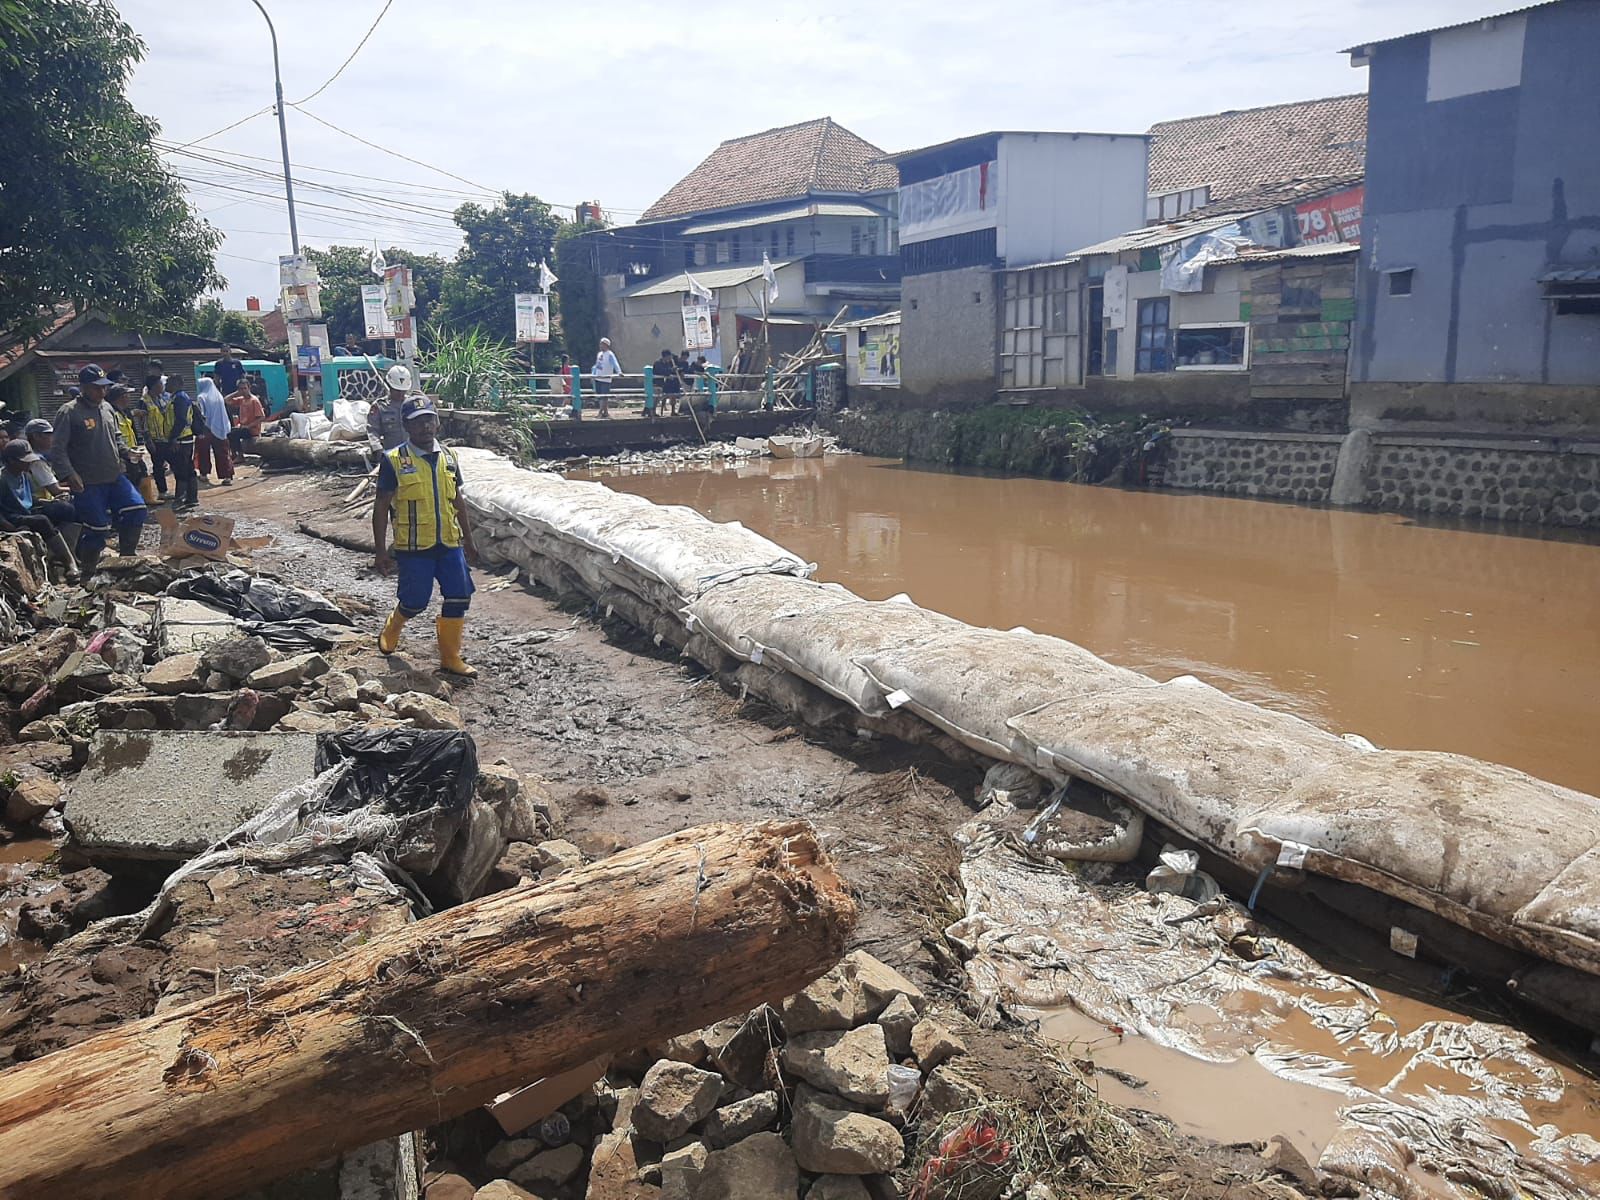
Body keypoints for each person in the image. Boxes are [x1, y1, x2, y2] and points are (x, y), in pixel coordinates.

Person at [371, 396, 479, 677]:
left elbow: (458, 500)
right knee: (415, 601)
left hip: (449, 543)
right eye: (418, 421)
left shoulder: (449, 457)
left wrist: (469, 540)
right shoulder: (394, 460)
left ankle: (450, 658)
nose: (426, 426)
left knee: (459, 596)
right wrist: (380, 551)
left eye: (430, 419)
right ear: (406, 425)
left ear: (438, 422)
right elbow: (381, 505)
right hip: (414, 546)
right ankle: (394, 624)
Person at [49, 364, 147, 571]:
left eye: (104, 387)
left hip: (114, 476)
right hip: (88, 482)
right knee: (98, 528)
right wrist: (69, 474)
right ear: (83, 387)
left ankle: (126, 559)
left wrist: (127, 452)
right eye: (96, 388)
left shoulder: (107, 407)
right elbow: (57, 450)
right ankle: (88, 571)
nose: (101, 392)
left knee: (136, 508)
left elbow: (116, 438)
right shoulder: (69, 412)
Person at [1, 440, 80, 581]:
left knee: (65, 509)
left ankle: (60, 555)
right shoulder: (2, 479)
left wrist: (51, 502)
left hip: (27, 511)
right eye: (23, 461)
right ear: (11, 461)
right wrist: (9, 527)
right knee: (41, 521)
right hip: (11, 517)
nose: (28, 464)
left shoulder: (23, 474)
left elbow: (30, 500)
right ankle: (69, 562)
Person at [143, 380, 198, 509]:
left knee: (181, 469)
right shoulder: (171, 398)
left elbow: (180, 420)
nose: (165, 385)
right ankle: (190, 498)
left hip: (180, 439)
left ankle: (181, 499)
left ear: (176, 384)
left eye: (167, 383)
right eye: (162, 383)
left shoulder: (178, 399)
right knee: (184, 468)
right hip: (171, 438)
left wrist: (173, 438)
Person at [193, 378, 234, 485]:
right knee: (223, 452)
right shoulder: (218, 396)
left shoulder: (201, 397)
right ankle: (227, 476)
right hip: (220, 427)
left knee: (203, 452)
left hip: (206, 428)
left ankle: (204, 474)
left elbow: (201, 414)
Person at [22, 419, 69, 500]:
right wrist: (81, 488)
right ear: (36, 436)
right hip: (40, 503)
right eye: (48, 434)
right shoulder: (36, 462)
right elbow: (55, 490)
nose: (52, 438)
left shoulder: (33, 455)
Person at [369, 364, 411, 451]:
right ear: (390, 386)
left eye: (403, 391)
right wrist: (376, 447)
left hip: (414, 454)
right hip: (391, 455)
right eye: (397, 390)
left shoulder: (412, 403)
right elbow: (373, 430)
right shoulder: (379, 406)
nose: (400, 394)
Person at [227, 376, 265, 459]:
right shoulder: (242, 399)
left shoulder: (254, 400)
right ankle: (234, 454)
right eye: (241, 389)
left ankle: (240, 455)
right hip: (243, 427)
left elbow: (262, 417)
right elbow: (226, 400)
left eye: (245, 388)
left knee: (234, 434)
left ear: (249, 388)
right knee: (229, 432)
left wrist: (248, 426)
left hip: (251, 430)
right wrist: (236, 393)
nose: (243, 391)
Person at [591, 338, 620, 419]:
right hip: (598, 377)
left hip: (606, 379)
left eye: (602, 344)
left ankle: (600, 413)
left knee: (604, 396)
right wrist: (593, 374)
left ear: (607, 345)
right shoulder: (599, 354)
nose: (600, 346)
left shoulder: (610, 354)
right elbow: (596, 365)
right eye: (600, 344)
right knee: (601, 396)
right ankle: (606, 412)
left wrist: (619, 372)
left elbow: (615, 363)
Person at [654, 349, 682, 419]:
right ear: (666, 356)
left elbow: (667, 371)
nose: (670, 358)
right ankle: (652, 412)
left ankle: (654, 412)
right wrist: (671, 370)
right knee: (655, 398)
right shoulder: (658, 363)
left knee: (658, 399)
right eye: (669, 356)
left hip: (662, 384)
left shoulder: (666, 363)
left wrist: (673, 370)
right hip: (655, 383)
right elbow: (662, 371)